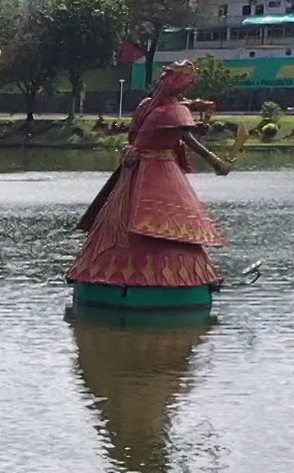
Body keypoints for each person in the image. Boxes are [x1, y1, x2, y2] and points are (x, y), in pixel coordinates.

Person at [68, 59, 232, 303]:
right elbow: (188, 138)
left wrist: (191, 106)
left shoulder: (148, 105)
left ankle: (104, 279)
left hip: (133, 172)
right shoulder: (172, 111)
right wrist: (216, 162)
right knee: (162, 225)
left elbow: (165, 117)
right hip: (159, 171)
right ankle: (163, 284)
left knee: (119, 219)